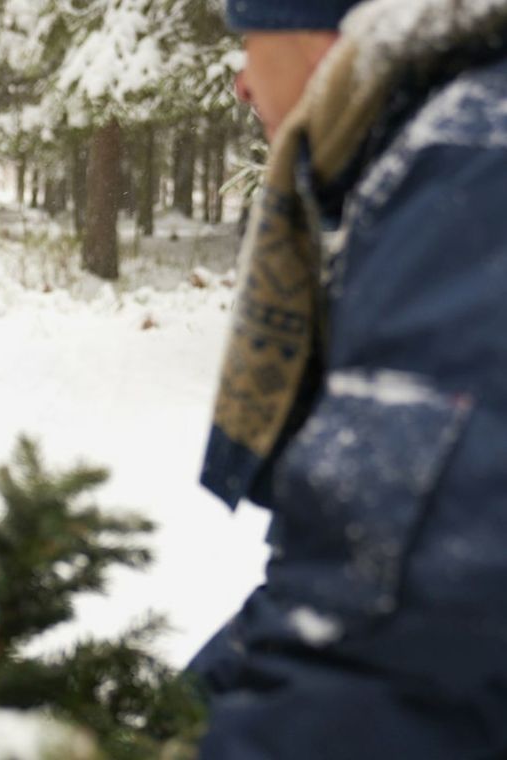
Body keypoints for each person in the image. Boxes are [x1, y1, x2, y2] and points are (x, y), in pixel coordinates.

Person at [190, 0, 507, 756]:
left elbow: (402, 640)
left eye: (249, 39)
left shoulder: (469, 168)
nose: (240, 82)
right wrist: (156, 716)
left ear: (320, 38)